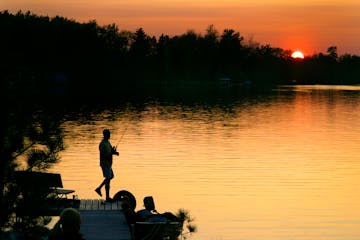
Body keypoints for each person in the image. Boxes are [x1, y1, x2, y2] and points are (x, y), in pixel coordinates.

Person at [95, 129, 119, 202]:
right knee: (108, 179)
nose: (109, 135)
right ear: (105, 135)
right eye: (108, 134)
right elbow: (104, 154)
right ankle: (107, 197)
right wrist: (113, 153)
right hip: (105, 164)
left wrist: (113, 151)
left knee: (111, 176)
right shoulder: (102, 144)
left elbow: (110, 151)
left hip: (109, 164)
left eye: (109, 134)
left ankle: (99, 188)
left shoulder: (108, 142)